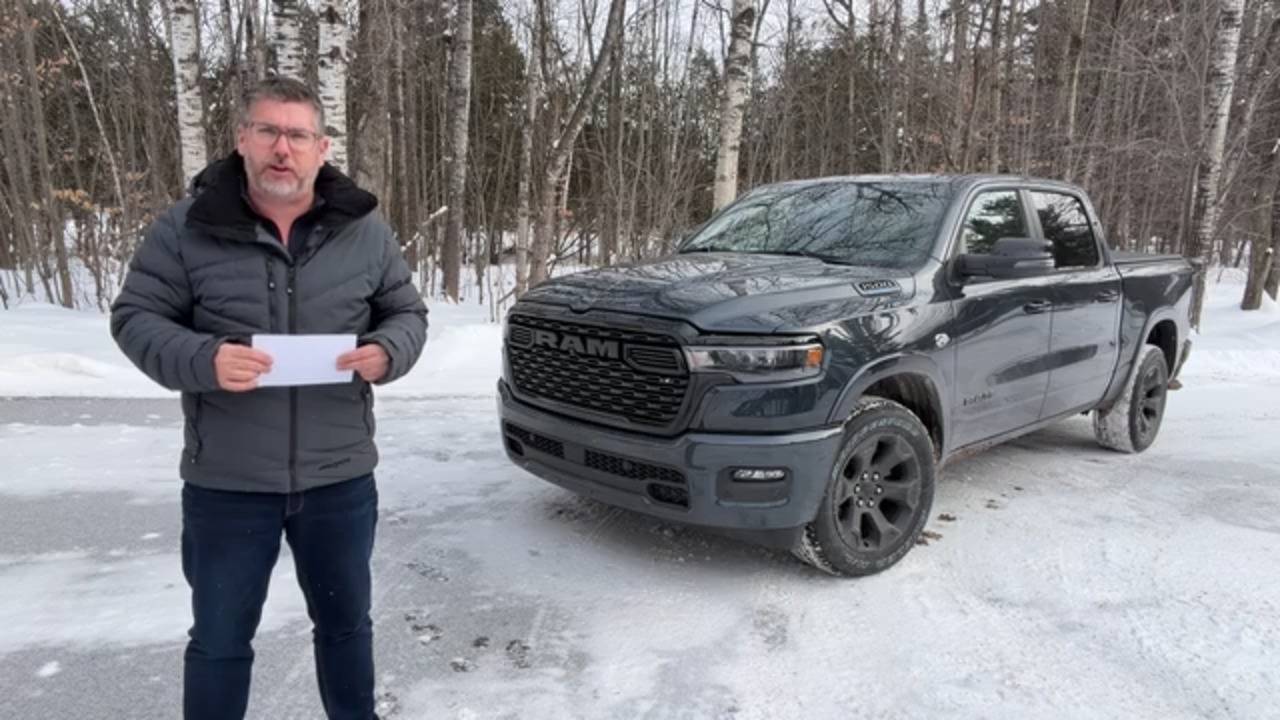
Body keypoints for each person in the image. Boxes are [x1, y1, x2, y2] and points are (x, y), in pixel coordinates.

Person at [110, 76, 427, 720]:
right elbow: (135, 317)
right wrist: (204, 358)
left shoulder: (364, 229)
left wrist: (388, 350)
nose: (283, 148)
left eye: (298, 135)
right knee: (220, 641)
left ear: (322, 147)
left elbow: (407, 313)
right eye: (269, 131)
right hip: (228, 483)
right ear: (243, 139)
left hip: (339, 477)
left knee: (346, 628)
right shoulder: (187, 227)